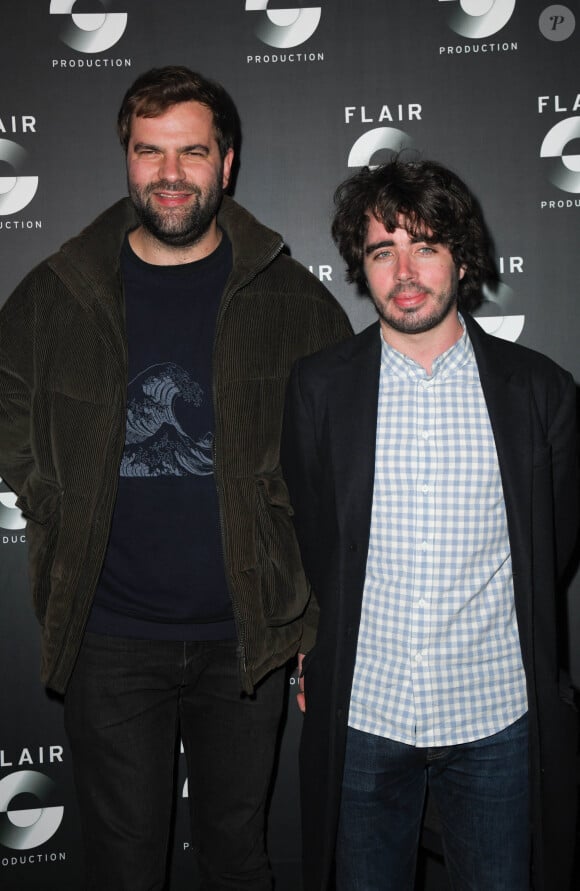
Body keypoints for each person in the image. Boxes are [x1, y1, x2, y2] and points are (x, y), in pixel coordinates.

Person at [0, 66, 351, 890]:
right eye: (150, 151)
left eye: (192, 152)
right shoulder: (60, 292)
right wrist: (52, 494)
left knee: (240, 857)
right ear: (126, 159)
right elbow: (6, 400)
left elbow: (338, 468)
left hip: (246, 641)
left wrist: (310, 613)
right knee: (124, 868)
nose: (170, 173)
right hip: (110, 636)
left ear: (225, 164)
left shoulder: (292, 300)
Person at [281, 157, 579, 890]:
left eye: (426, 245)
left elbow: (554, 542)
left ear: (463, 257)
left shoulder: (539, 390)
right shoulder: (318, 388)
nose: (405, 270)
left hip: (495, 719)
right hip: (365, 715)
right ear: (363, 265)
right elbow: (310, 535)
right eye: (384, 250)